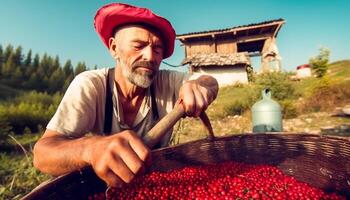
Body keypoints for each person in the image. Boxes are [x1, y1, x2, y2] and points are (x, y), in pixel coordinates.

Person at [33, 3, 218, 188]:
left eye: (157, 49)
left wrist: (198, 86)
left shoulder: (167, 82)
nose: (150, 56)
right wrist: (91, 148)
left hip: (157, 184)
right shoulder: (91, 85)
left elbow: (208, 81)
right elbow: (42, 155)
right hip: (109, 186)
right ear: (114, 48)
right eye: (139, 46)